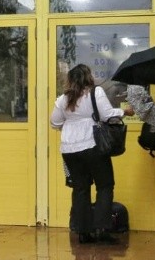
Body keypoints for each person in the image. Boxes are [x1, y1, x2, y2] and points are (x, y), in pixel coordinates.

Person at [50, 64, 134, 244]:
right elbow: (107, 115)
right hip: (93, 145)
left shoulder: (63, 99)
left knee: (80, 188)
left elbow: (54, 123)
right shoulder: (95, 92)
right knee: (105, 185)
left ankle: (83, 232)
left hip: (69, 149)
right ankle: (101, 229)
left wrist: (71, 125)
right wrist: (124, 112)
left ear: (70, 80)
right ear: (87, 77)